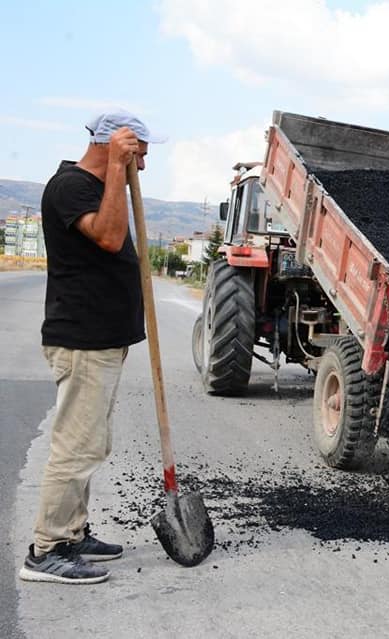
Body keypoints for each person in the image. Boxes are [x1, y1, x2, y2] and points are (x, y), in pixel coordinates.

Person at [19, 111, 165, 585]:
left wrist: (120, 175)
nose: (141, 168)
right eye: (138, 156)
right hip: (81, 338)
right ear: (113, 146)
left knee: (91, 444)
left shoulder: (101, 187)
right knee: (75, 446)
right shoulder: (69, 187)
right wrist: (118, 174)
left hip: (104, 339)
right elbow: (108, 236)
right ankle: (47, 550)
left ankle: (73, 533)